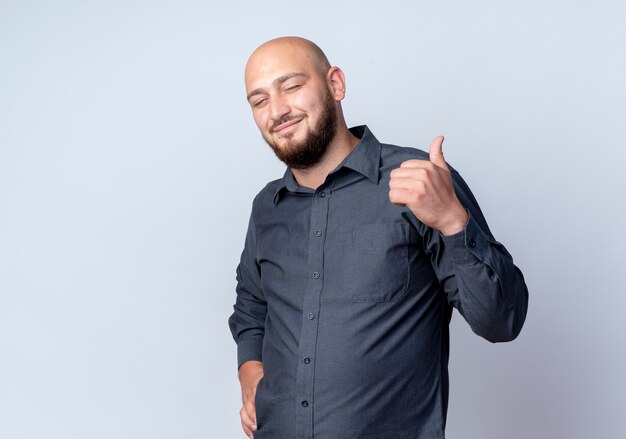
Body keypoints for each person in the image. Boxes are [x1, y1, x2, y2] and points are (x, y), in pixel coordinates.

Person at [228, 36, 528, 439]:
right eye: (259, 100)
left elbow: (501, 321)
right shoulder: (267, 207)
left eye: (292, 86)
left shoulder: (420, 181)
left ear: (336, 84)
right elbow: (251, 305)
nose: (277, 110)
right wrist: (250, 371)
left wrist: (454, 222)